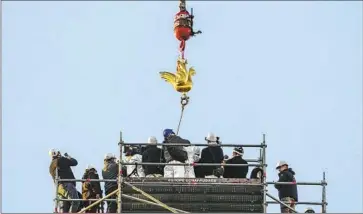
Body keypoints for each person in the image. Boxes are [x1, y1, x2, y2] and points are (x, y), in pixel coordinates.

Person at [49, 149, 80, 213]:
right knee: (76, 201)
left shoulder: (51, 165)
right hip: (67, 184)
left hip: (59, 188)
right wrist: (68, 156)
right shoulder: (62, 160)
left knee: (64, 207)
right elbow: (75, 162)